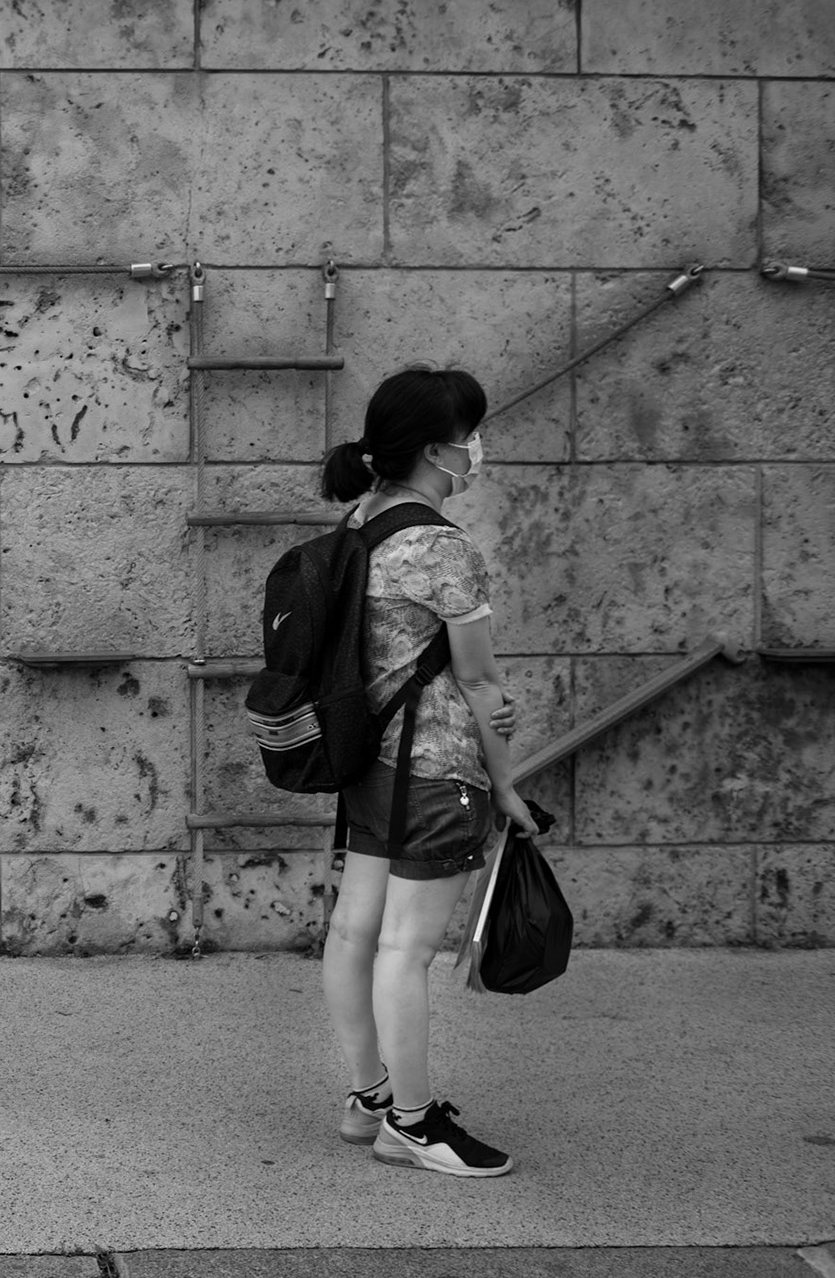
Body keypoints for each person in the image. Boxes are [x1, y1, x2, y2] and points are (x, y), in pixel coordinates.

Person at [317, 366, 540, 1178]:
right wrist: (507, 784)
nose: (479, 450)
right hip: (438, 771)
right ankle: (413, 1126)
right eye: (472, 436)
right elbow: (479, 681)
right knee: (404, 950)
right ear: (440, 451)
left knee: (353, 932)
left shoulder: (357, 521)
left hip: (369, 764)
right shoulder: (443, 547)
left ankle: (368, 1097)